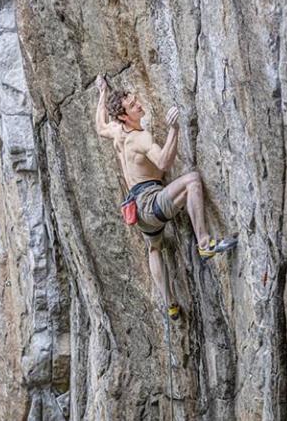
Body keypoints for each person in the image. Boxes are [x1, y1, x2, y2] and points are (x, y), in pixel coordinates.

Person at [94, 74, 237, 320]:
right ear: (124, 116)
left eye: (136, 99)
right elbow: (163, 161)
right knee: (192, 180)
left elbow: (100, 127)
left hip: (137, 211)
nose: (139, 104)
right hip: (151, 202)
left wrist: (102, 92)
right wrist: (174, 130)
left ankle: (170, 303)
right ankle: (204, 243)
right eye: (132, 105)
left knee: (154, 248)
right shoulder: (141, 138)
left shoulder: (117, 132)